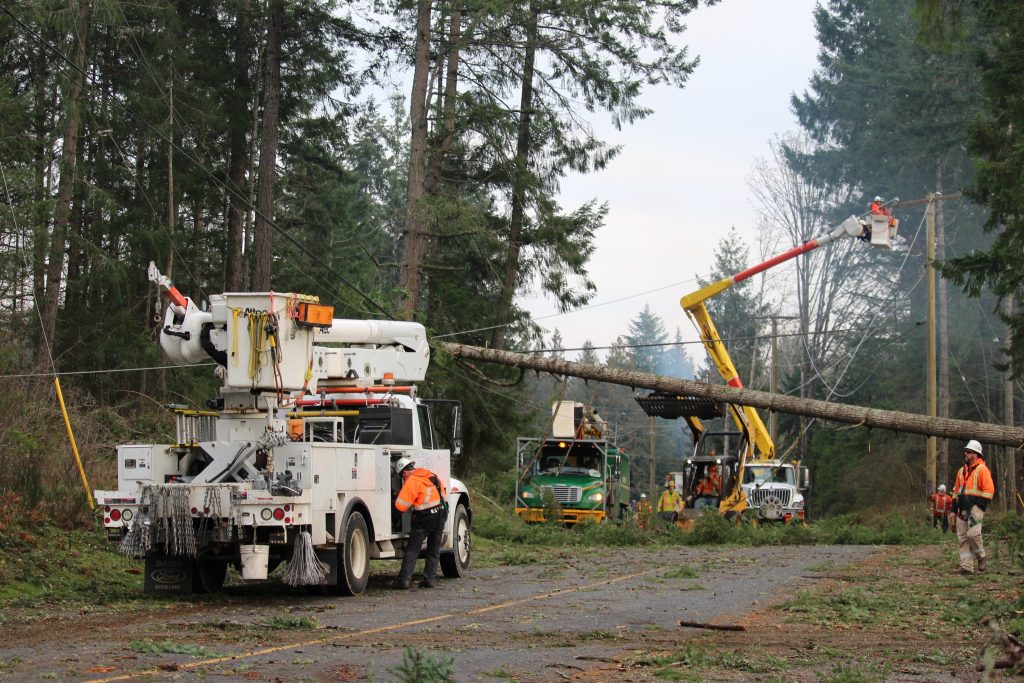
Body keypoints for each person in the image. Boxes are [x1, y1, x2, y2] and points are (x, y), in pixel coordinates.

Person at [393, 457, 447, 589]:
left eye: (402, 476)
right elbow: (443, 492)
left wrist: (397, 495)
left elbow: (401, 506)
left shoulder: (411, 481)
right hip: (440, 514)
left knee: (413, 549)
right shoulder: (430, 475)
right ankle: (430, 580)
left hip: (424, 518)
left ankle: (404, 581)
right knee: (434, 549)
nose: (403, 479)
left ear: (404, 473)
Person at [951, 440, 995, 574]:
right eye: (966, 451)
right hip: (961, 508)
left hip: (975, 509)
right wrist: (953, 511)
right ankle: (966, 567)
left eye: (969, 452)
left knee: (973, 534)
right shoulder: (961, 471)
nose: (966, 453)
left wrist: (977, 507)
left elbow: (989, 491)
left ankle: (981, 557)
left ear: (976, 454)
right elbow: (955, 492)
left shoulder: (982, 470)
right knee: (963, 537)